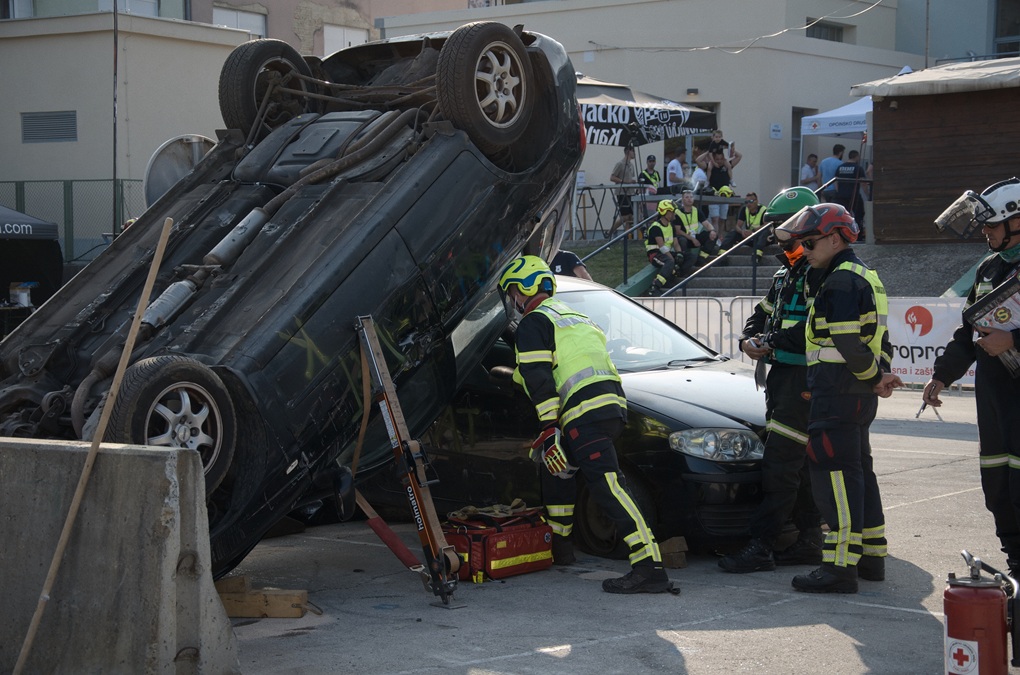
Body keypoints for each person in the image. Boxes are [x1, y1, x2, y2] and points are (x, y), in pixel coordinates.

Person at [496, 255, 673, 594]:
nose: (513, 300)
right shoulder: (572, 316)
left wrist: (549, 427)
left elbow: (540, 380)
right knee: (558, 469)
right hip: (609, 407)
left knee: (608, 486)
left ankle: (649, 566)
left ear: (525, 288)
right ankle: (560, 546)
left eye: (513, 291)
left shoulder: (534, 322)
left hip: (583, 413)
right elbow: (559, 365)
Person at [774, 203, 902, 593]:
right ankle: (871, 556)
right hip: (856, 394)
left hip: (837, 393)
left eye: (810, 243)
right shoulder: (865, 276)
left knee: (835, 478)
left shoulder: (839, 281)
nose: (804, 250)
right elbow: (880, 340)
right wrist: (877, 376)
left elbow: (847, 343)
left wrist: (874, 377)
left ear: (834, 238)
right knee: (859, 471)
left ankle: (839, 567)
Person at [718, 187, 826, 574]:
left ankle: (761, 545)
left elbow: (813, 328)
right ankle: (809, 539)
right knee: (799, 466)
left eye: (780, 227)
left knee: (781, 465)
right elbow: (760, 315)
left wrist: (771, 340)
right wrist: (748, 339)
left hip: (802, 378)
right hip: (782, 378)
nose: (775, 236)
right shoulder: (785, 274)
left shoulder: (820, 274)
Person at [922, 177, 1020, 578]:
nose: (985, 232)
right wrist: (941, 376)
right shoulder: (988, 267)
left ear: (1017, 221)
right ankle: (1016, 562)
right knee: (997, 485)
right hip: (994, 397)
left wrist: (1013, 339)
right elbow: (968, 332)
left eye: (991, 225)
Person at [644, 199, 687, 295]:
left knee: (689, 256)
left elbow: (676, 243)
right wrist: (673, 260)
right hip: (655, 254)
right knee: (670, 262)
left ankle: (670, 279)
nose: (674, 214)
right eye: (672, 212)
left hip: (666, 253)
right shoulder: (656, 227)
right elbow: (662, 247)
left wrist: (679, 254)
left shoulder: (671, 226)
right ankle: (655, 286)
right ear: (664, 212)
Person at [696, 145, 743, 230]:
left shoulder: (727, 165)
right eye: (717, 159)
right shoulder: (710, 166)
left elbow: (739, 156)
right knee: (715, 218)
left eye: (721, 159)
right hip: (713, 195)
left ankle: (720, 236)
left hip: (724, 195)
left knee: (722, 219)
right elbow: (698, 160)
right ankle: (715, 235)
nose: (719, 161)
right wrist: (709, 151)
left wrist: (729, 148)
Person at [718, 191, 769, 263]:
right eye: (746, 202)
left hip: (759, 236)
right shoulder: (744, 209)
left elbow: (766, 225)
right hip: (749, 236)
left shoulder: (764, 209)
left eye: (751, 201)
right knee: (733, 233)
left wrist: (753, 231)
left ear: (756, 201)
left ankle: (757, 256)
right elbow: (737, 226)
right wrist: (742, 232)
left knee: (764, 232)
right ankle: (721, 255)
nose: (748, 204)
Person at [674, 189, 720, 267]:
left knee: (713, 235)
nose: (689, 199)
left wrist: (712, 230)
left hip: (695, 236)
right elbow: (678, 231)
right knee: (682, 240)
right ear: (682, 199)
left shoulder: (696, 210)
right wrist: (692, 239)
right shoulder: (678, 212)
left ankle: (701, 258)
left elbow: (706, 224)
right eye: (687, 197)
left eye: (691, 197)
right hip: (685, 238)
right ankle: (684, 262)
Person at [834, 150, 868, 230]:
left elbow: (836, 182)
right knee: (859, 214)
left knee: (842, 215)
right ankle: (858, 232)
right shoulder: (858, 168)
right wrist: (868, 194)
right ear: (856, 157)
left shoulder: (840, 167)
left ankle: (843, 231)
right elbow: (863, 183)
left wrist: (838, 192)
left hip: (841, 196)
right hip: (854, 195)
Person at [608, 146, 637, 239]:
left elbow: (630, 178)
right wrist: (625, 182)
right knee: (624, 217)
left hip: (631, 192)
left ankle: (627, 236)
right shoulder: (620, 164)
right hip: (621, 193)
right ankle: (610, 232)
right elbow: (612, 177)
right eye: (633, 151)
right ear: (628, 151)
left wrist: (633, 183)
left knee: (631, 216)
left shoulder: (631, 165)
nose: (634, 153)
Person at [638, 154, 661, 220]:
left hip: (656, 198)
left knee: (655, 216)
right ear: (647, 162)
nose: (652, 163)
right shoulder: (643, 174)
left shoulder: (656, 173)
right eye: (650, 161)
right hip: (647, 199)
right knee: (646, 217)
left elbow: (658, 184)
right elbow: (640, 189)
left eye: (653, 161)